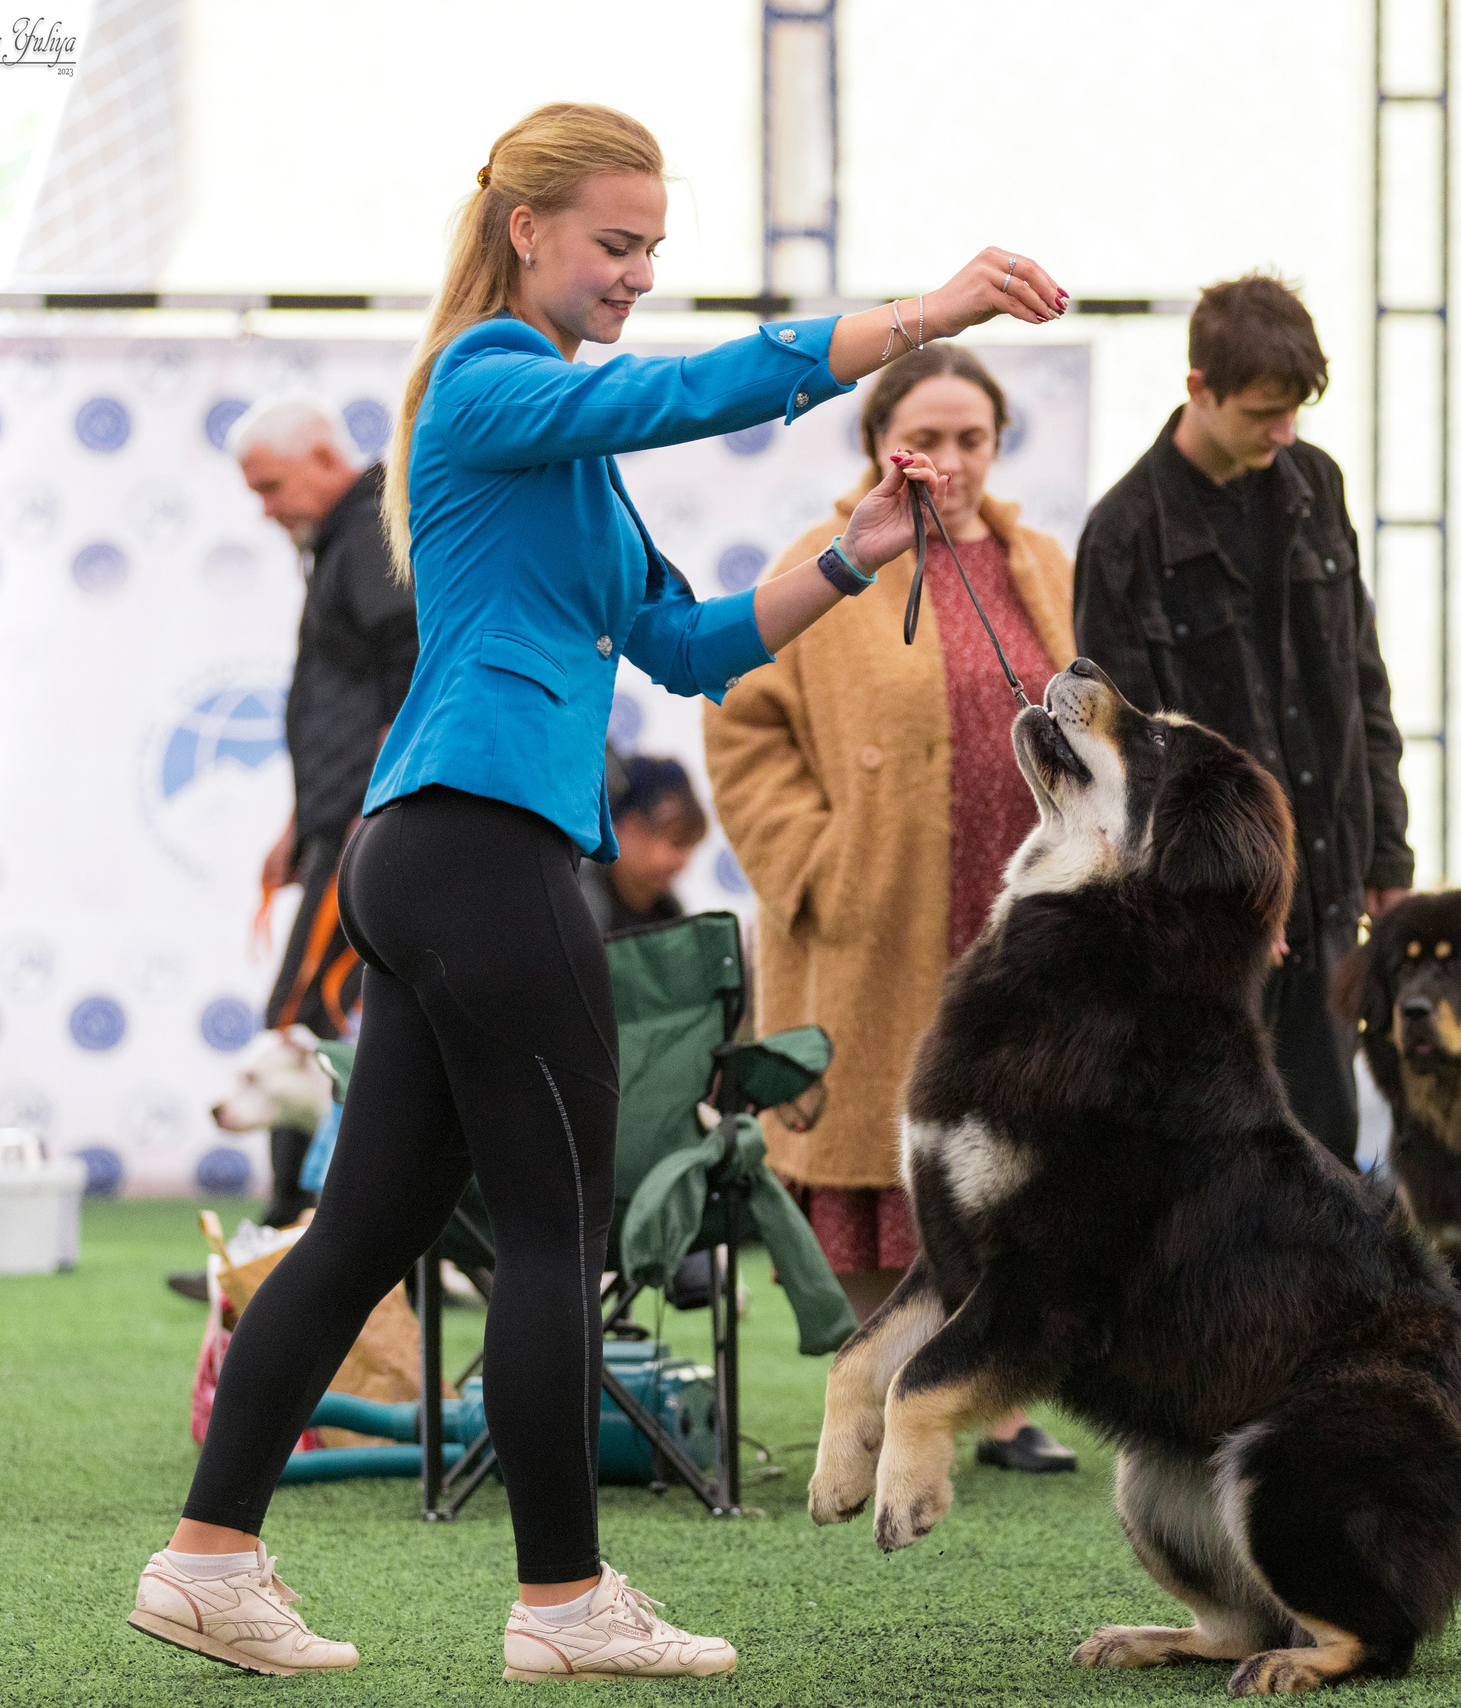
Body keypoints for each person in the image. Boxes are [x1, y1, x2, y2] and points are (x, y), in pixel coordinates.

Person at [129, 100, 1068, 1684]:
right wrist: (927, 312)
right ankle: (563, 1603)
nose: (636, 273)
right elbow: (700, 391)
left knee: (367, 1224)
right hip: (482, 848)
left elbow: (690, 646)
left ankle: (208, 1562)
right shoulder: (490, 381)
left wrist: (863, 545)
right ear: (526, 234)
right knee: (556, 1228)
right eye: (615, 244)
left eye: (652, 249)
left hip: (437, 850)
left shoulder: (548, 434)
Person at [705, 345, 1079, 1476]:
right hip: (875, 914)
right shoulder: (825, 566)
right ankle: (878, 1396)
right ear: (880, 444)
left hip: (1015, 915)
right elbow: (738, 720)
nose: (952, 462)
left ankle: (1000, 1402)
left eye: (975, 440)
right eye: (929, 439)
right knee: (878, 1156)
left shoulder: (1043, 564)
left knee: (1012, 1150)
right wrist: (814, 861)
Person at [1073, 274, 1412, 1166]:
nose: (1283, 433)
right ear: (1199, 389)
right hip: (1211, 927)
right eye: (1265, 411)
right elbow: (1126, 768)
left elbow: (1363, 684)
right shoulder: (1123, 536)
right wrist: (1231, 896)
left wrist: (1388, 858)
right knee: (1214, 1168)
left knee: (1331, 1153)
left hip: (1332, 882)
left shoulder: (1316, 486)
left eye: (1296, 410)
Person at [233, 395, 416, 1230]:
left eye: (271, 486)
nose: (265, 508)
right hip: (341, 824)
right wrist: (299, 826)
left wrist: (361, 814)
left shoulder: (370, 537)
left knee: (298, 1020)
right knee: (313, 1017)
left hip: (364, 828)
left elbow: (409, 672)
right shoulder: (343, 541)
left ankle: (290, 1230)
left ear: (320, 456)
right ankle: (302, 1224)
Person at [577, 755, 706, 935]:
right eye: (676, 844)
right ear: (631, 826)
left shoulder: (671, 915)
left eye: (691, 847)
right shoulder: (576, 901)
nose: (683, 863)